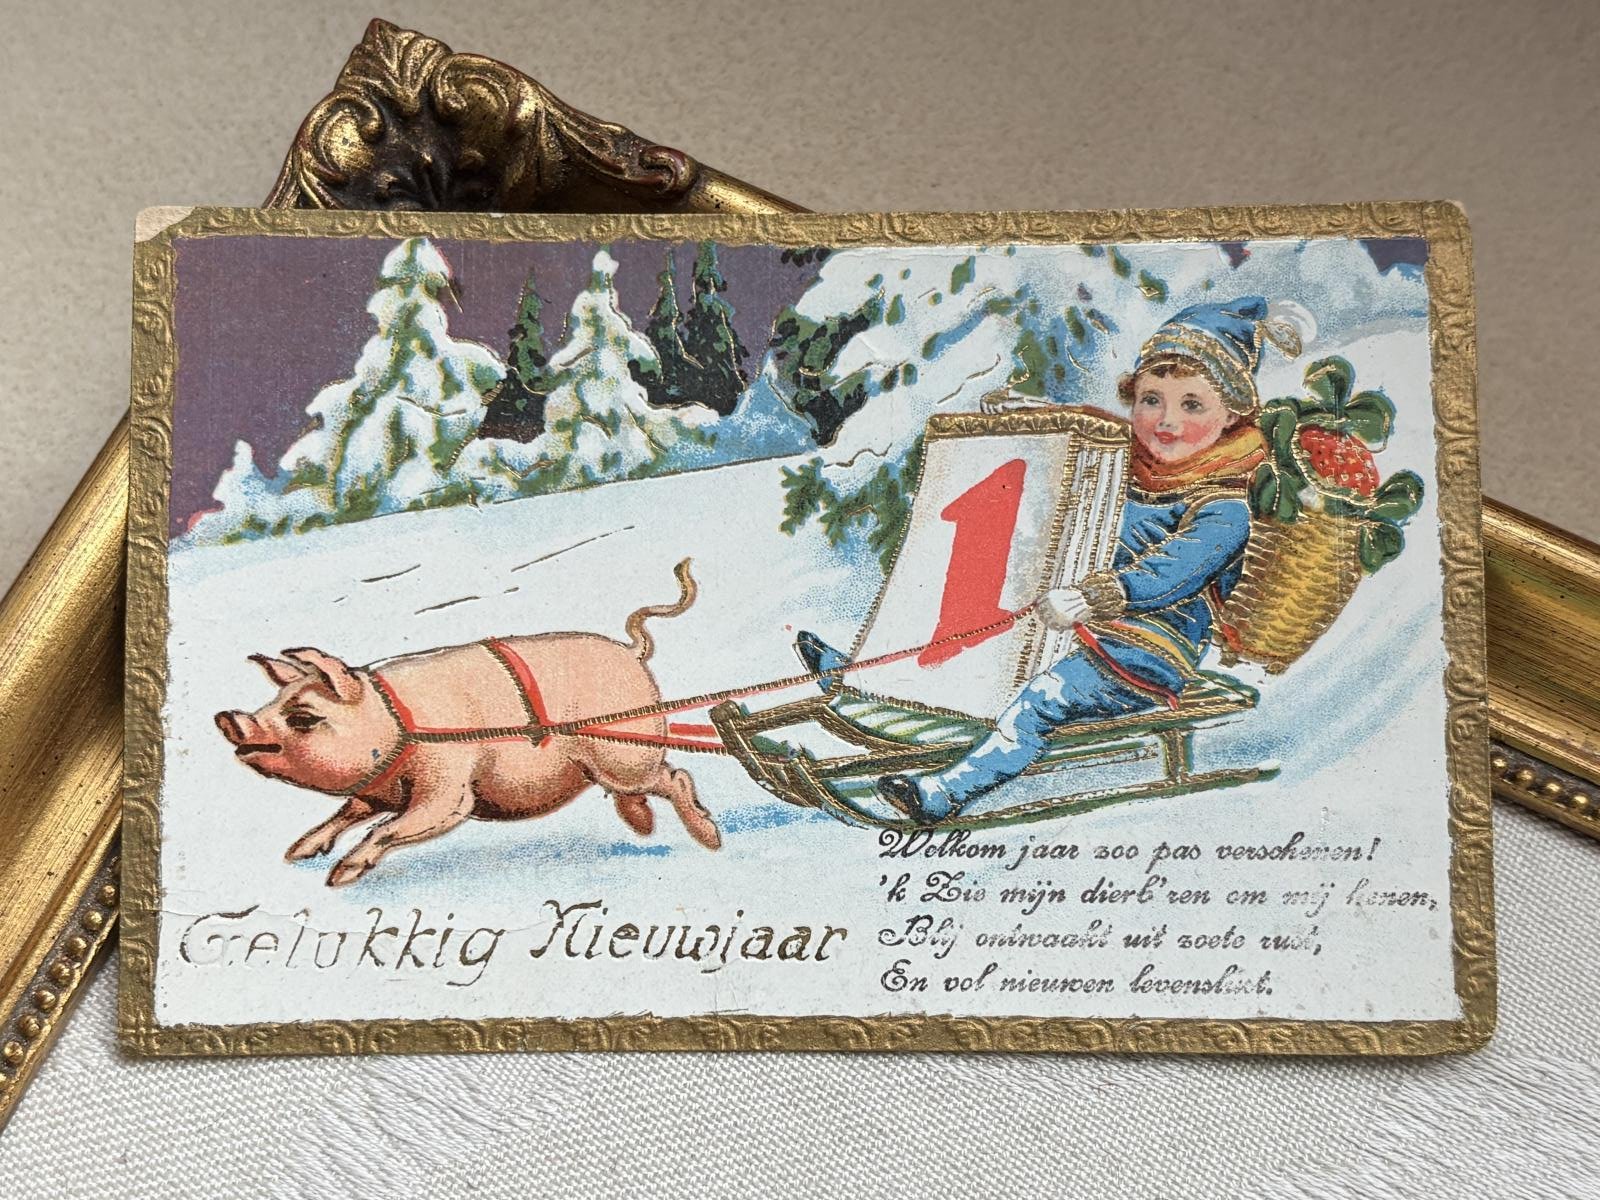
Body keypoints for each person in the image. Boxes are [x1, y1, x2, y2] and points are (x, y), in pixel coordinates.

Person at [795, 296, 1304, 823]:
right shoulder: (1129, 464)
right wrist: (1037, 424)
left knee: (1043, 698)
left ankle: (944, 792)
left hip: (1143, 651)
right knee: (975, 624)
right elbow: (1088, 440)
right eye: (1152, 399)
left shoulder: (1225, 505)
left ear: (1232, 415)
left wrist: (1101, 595)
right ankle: (867, 679)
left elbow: (1175, 570)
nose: (1166, 421)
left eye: (1192, 405)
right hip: (1075, 620)